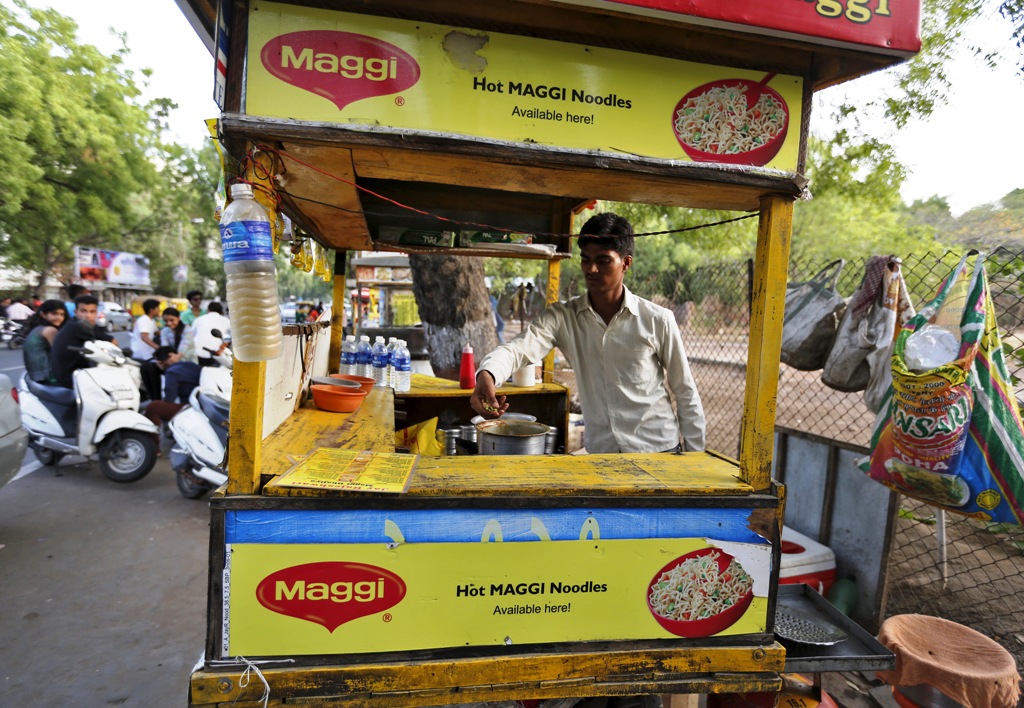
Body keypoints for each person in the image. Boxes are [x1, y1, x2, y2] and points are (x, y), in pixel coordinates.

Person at [471, 212, 706, 453]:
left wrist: (696, 458)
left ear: (626, 263)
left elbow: (684, 390)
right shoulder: (563, 317)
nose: (591, 269)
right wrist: (488, 374)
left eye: (603, 260)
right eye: (586, 259)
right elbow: (517, 349)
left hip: (658, 450)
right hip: (602, 454)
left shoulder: (658, 320)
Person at [49, 295, 114, 389]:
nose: (88, 315)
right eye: (83, 311)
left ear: (96, 313)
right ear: (76, 312)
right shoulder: (78, 326)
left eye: (92, 312)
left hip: (78, 373)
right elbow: (110, 343)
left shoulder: (85, 325)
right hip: (72, 378)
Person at [142, 346, 203, 446]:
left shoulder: (171, 372)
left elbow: (170, 398)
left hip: (188, 407)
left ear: (162, 361)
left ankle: (153, 447)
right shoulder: (190, 364)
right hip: (202, 403)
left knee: (153, 407)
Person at [23, 300, 67, 384]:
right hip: (48, 377)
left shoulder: (38, 328)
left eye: (62, 314)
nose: (59, 318)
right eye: (54, 314)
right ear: (43, 314)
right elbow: (61, 354)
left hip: (35, 375)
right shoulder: (50, 330)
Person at [192, 301, 231, 367]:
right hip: (217, 357)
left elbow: (193, 335)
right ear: (221, 311)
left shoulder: (198, 319)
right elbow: (229, 337)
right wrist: (222, 347)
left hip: (197, 355)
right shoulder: (227, 321)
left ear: (208, 310)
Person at [130, 298, 161, 363]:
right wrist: (158, 348)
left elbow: (157, 333)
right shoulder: (144, 320)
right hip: (141, 354)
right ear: (151, 310)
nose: (159, 310)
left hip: (147, 353)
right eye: (157, 308)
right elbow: (144, 337)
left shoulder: (151, 320)